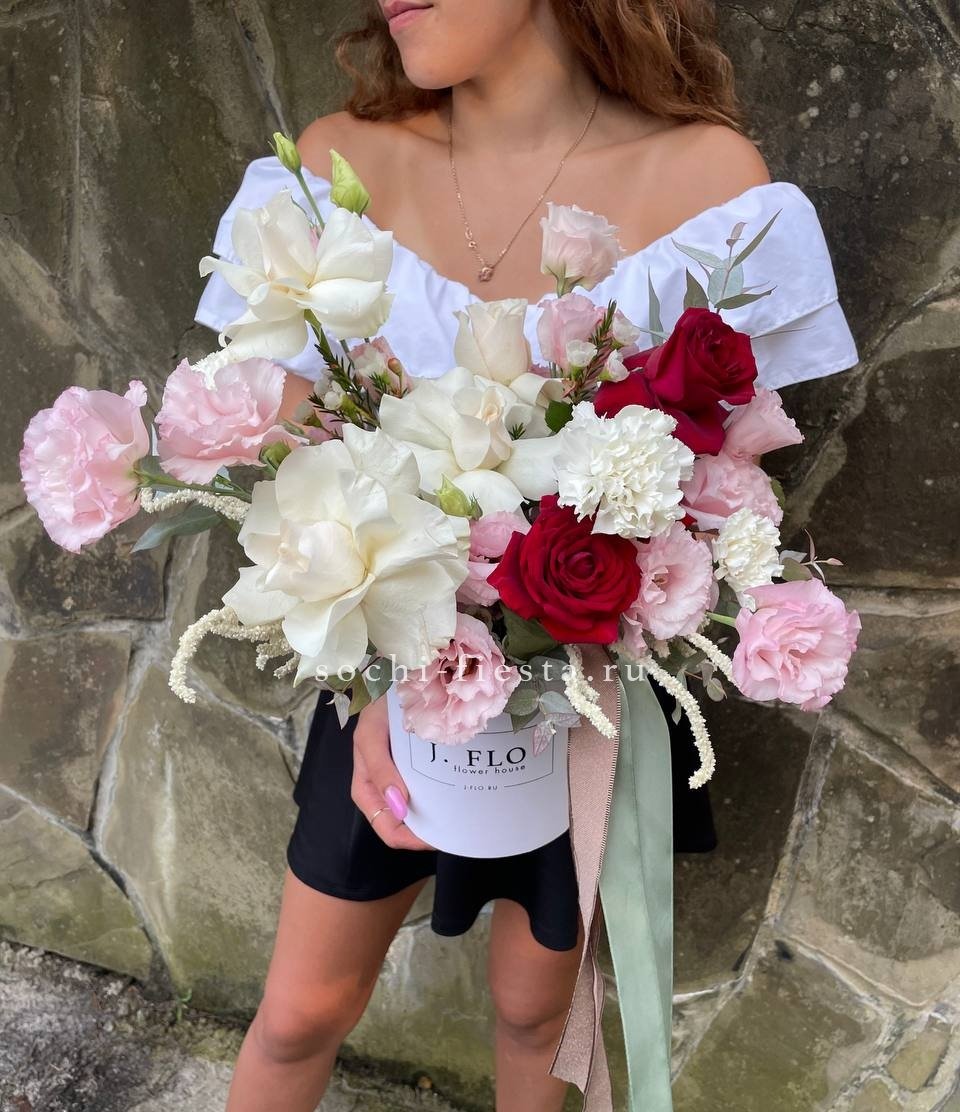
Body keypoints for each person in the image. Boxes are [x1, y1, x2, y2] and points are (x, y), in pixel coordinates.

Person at [193, 2, 860, 1110]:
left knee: (536, 1014)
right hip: (381, 675)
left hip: (587, 693)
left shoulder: (711, 185)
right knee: (301, 1010)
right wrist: (374, 684)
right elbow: (298, 479)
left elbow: (722, 476)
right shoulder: (334, 168)